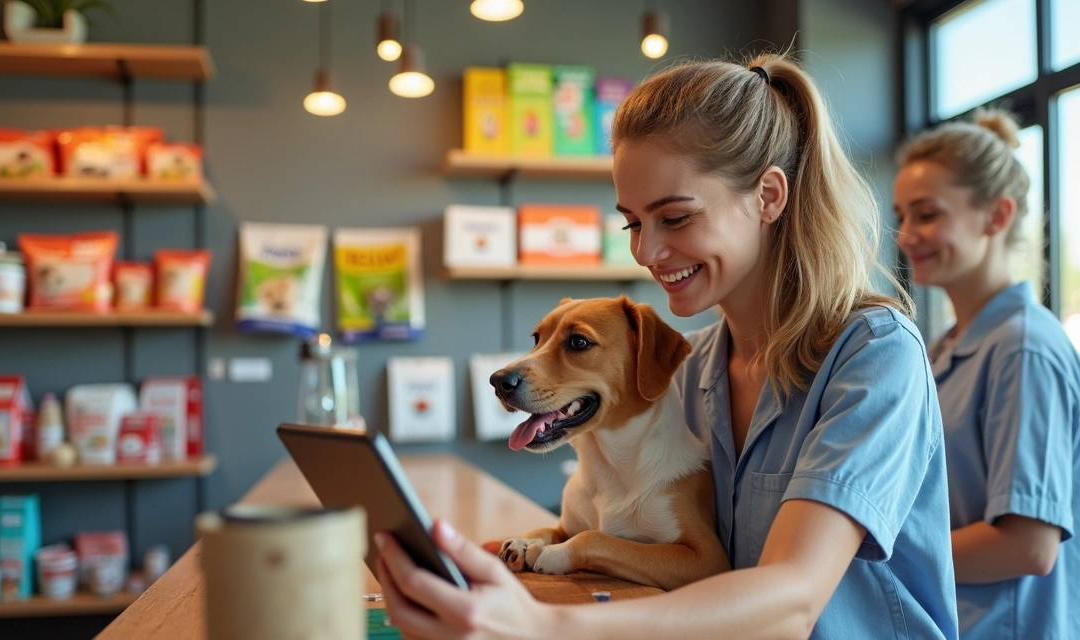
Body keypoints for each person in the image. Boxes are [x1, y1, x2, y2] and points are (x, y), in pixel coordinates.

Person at [375, 54, 958, 639]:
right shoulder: (692, 366)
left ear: (768, 196)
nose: (646, 253)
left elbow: (793, 600)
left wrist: (545, 626)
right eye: (632, 223)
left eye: (675, 218)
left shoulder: (876, 356)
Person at [893, 109, 1080, 639]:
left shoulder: (1023, 349)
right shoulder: (945, 346)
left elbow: (1027, 545)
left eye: (926, 214)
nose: (906, 235)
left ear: (996, 215)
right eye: (902, 215)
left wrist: (872, 550)